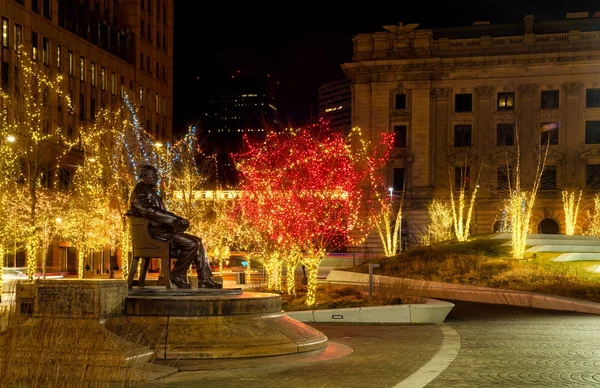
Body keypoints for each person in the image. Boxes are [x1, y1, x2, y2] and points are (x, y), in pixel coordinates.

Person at [128, 165, 221, 289]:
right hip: (153, 234)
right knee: (192, 243)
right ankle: (177, 274)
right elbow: (149, 211)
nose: (156, 178)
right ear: (145, 176)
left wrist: (176, 222)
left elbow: (154, 211)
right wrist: (174, 220)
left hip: (160, 232)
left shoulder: (148, 191)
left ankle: (204, 279)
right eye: (153, 175)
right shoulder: (139, 191)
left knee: (197, 242)